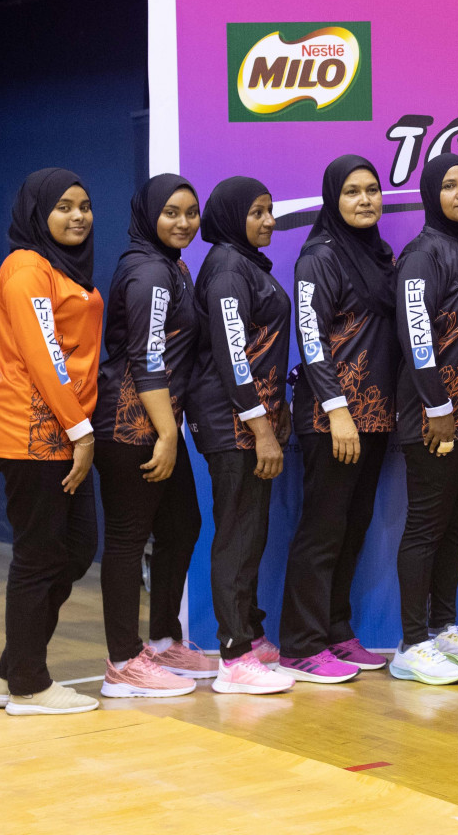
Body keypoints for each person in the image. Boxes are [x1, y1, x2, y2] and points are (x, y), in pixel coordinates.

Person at [0, 169, 103, 715]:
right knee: (37, 557)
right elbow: (43, 352)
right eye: (63, 207)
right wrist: (81, 432)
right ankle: (29, 685)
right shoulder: (26, 267)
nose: (77, 216)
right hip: (31, 433)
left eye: (84, 205)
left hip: (63, 432)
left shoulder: (60, 267)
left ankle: (12, 671)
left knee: (74, 550)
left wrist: (77, 430)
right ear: (37, 213)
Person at [279, 155, 399, 683]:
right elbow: (310, 335)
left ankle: (335, 630)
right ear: (334, 199)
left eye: (372, 190)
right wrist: (337, 411)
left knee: (352, 529)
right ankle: (301, 646)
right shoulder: (319, 257)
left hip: (374, 415)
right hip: (333, 418)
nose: (365, 200)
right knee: (322, 531)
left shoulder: (379, 254)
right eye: (352, 192)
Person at [389, 155, 458, 685]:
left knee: (455, 528)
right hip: (435, 418)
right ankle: (411, 644)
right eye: (450, 185)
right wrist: (437, 408)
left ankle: (443, 630)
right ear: (432, 193)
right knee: (426, 528)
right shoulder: (423, 254)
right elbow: (417, 334)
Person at [93, 175, 208, 698]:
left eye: (190, 212)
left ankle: (162, 641)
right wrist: (167, 433)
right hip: (130, 426)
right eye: (170, 213)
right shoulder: (149, 273)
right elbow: (146, 357)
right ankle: (122, 663)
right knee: (126, 540)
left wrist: (169, 429)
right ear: (148, 216)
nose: (182, 222)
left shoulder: (172, 266)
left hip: (158, 423)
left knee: (182, 523)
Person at [188, 176, 294, 695]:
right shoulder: (229, 268)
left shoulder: (245, 263)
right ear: (233, 216)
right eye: (257, 212)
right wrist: (262, 429)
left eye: (270, 210)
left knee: (250, 531)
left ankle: (248, 635)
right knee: (236, 533)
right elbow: (233, 357)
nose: (269, 220)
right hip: (233, 424)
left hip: (254, 421)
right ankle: (233, 656)